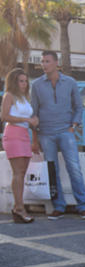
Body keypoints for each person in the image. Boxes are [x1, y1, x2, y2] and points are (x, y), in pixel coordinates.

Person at [31, 50, 85, 220]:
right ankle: (59, 206)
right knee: (52, 170)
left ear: (56, 63)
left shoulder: (70, 82)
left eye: (47, 61)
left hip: (66, 131)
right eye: (42, 61)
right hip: (45, 134)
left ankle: (83, 205)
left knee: (74, 168)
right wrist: (34, 139)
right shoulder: (36, 85)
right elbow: (33, 113)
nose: (44, 64)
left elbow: (79, 107)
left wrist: (73, 126)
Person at [1, 68, 39, 223]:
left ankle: (19, 207)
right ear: (14, 82)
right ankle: (19, 208)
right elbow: (4, 116)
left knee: (22, 173)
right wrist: (28, 121)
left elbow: (28, 119)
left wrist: (33, 124)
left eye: (25, 81)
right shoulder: (9, 95)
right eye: (20, 81)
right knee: (18, 172)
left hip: (24, 134)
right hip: (13, 134)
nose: (24, 84)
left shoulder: (24, 97)